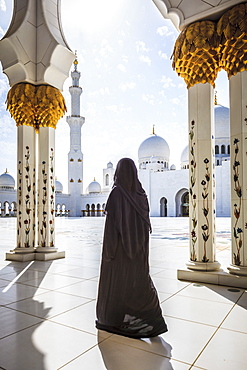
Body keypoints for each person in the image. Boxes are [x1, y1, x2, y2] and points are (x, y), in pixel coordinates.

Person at [96, 158, 168, 339]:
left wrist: (109, 254)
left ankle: (115, 319)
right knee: (139, 283)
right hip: (139, 252)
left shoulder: (116, 194)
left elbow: (112, 229)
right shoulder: (141, 194)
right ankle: (152, 321)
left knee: (119, 285)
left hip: (119, 254)